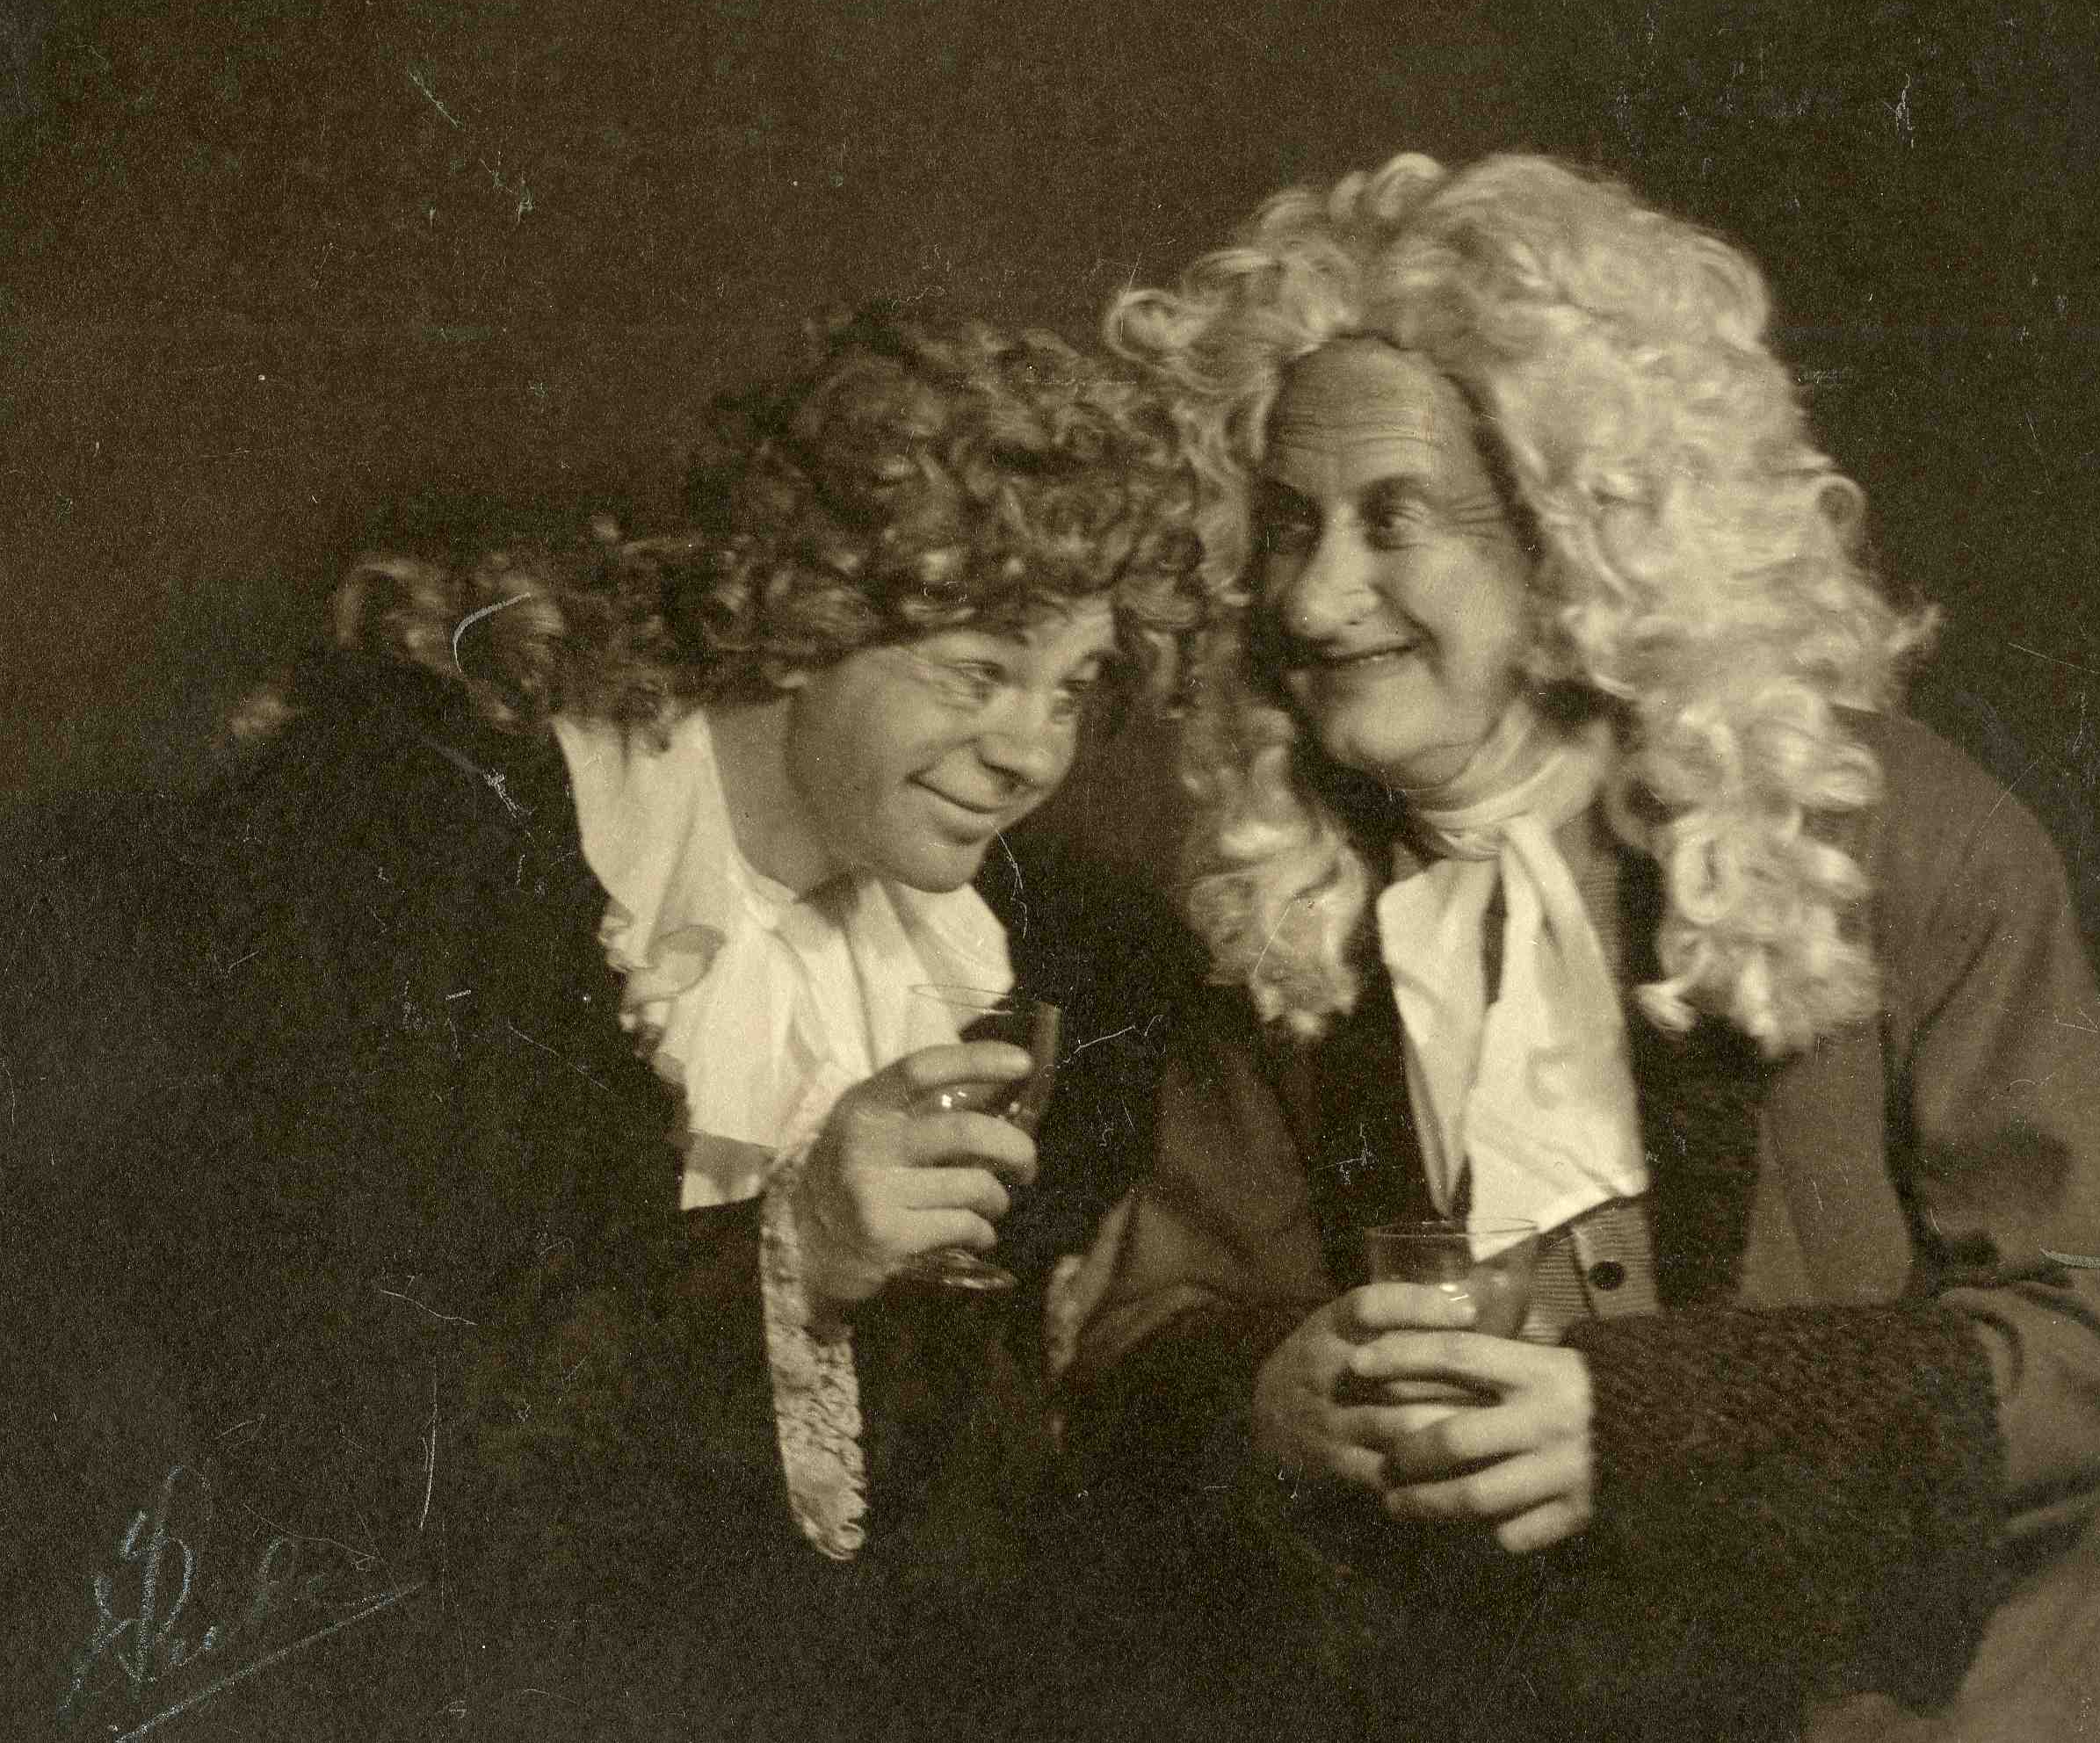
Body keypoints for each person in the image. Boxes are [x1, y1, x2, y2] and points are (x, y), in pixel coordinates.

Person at [1061, 153, 2100, 1743]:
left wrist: (1647, 1425)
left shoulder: (1882, 833)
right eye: (1285, 525)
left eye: (1394, 520)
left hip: (1998, 1698)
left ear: (1575, 538)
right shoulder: (1290, 894)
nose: (1317, 598)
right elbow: (1150, 1323)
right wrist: (1274, 1390)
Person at [8, 309, 1206, 1739]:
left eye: (1075, 688)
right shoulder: (426, 846)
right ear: (811, 614)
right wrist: (796, 1249)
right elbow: (341, 1416)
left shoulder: (1012, 953)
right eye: (980, 670)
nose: (1032, 751)